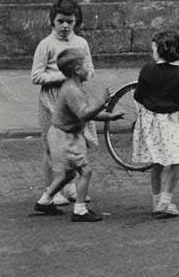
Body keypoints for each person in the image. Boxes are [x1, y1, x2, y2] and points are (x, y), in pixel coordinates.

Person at [33, 48, 123, 220]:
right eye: (86, 66)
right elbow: (84, 114)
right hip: (64, 137)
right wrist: (103, 102)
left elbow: (86, 112)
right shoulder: (72, 90)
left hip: (65, 135)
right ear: (77, 70)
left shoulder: (75, 87)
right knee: (85, 171)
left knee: (69, 173)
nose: (89, 69)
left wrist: (109, 116)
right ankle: (80, 211)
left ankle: (44, 201)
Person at [132, 31, 179, 218]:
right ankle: (165, 201)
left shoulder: (147, 70)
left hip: (150, 119)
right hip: (171, 120)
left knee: (157, 163)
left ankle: (156, 201)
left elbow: (138, 96)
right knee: (178, 160)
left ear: (159, 51)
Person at [31, 0, 95, 207]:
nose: (65, 26)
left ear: (76, 21)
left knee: (77, 142)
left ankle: (71, 187)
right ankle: (52, 188)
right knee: (52, 146)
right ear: (53, 21)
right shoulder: (46, 44)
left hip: (75, 97)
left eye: (70, 21)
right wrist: (63, 76)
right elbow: (36, 76)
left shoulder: (81, 43)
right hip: (52, 100)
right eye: (61, 21)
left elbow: (90, 68)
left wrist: (84, 75)